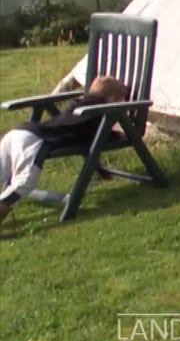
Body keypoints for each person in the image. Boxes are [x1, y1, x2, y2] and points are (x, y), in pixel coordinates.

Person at [1, 75, 129, 227]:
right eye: (121, 102)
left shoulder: (77, 105)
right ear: (113, 99)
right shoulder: (97, 113)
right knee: (25, 182)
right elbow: (96, 133)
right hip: (34, 140)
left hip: (18, 132)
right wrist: (117, 135)